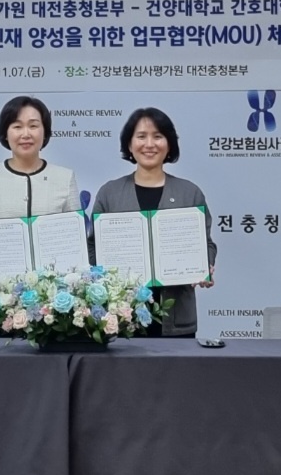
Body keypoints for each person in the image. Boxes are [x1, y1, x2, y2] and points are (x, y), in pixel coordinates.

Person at [90, 107, 216, 337]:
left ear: (169, 144)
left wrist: (204, 266)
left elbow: (206, 244)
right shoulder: (110, 193)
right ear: (129, 145)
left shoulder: (190, 193)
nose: (149, 144)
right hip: (121, 317)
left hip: (176, 317)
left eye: (158, 136)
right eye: (141, 136)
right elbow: (92, 247)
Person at [0, 94, 81, 290]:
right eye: (17, 126)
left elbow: (75, 236)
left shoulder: (64, 177)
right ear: (5, 133)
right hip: (0, 289)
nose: (26, 134)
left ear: (45, 132)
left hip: (53, 294)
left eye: (33, 126)